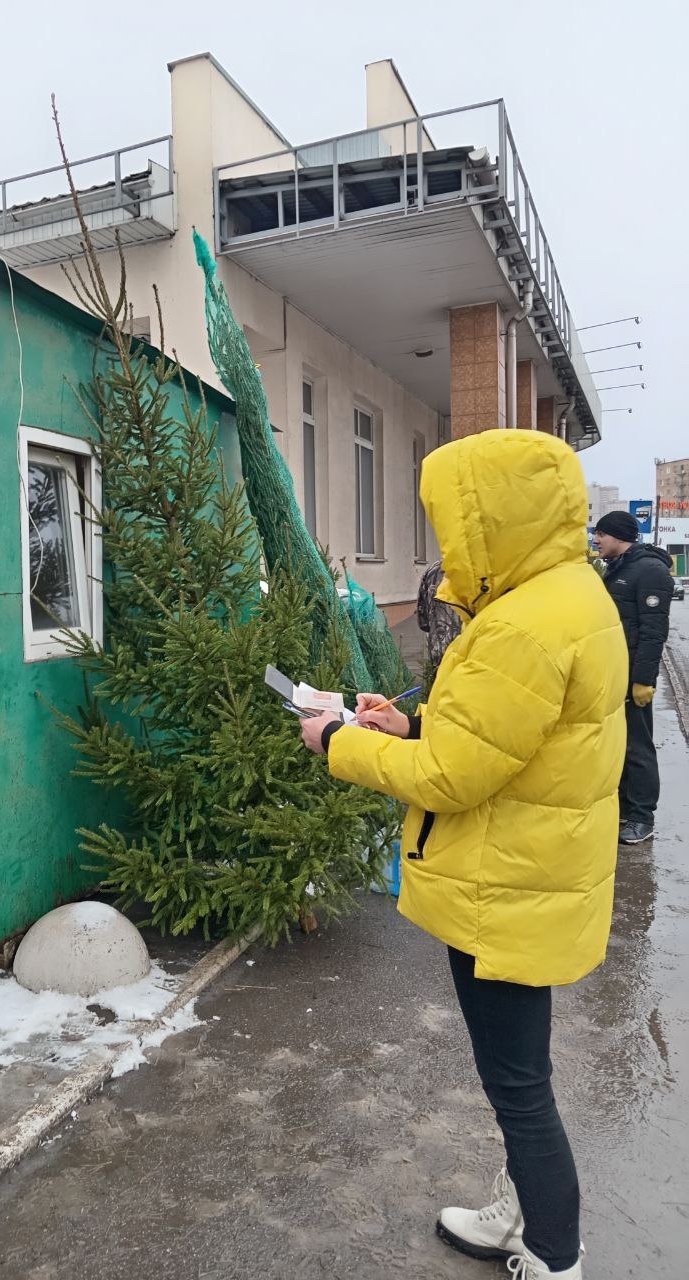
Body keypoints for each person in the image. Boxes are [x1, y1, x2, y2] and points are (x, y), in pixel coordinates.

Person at [300, 429, 627, 1280]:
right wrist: (409, 723)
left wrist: (338, 740)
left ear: (497, 517)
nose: (448, 544)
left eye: (456, 521)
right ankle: (525, 1213)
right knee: (520, 1075)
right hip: (529, 873)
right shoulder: (570, 594)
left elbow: (450, 777)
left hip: (506, 885)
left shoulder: (523, 624)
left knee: (518, 1085)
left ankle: (553, 1255)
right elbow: (507, 741)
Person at [592, 510, 674, 844]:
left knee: (638, 747)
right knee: (620, 745)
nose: (596, 539)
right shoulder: (617, 568)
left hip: (633, 673)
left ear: (618, 535)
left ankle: (642, 817)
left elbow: (654, 632)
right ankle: (626, 810)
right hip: (614, 670)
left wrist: (644, 680)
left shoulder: (650, 571)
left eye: (601, 534)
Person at [416, 558, 462, 670]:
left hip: (439, 653)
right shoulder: (480, 569)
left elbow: (423, 621)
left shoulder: (433, 569)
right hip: (469, 651)